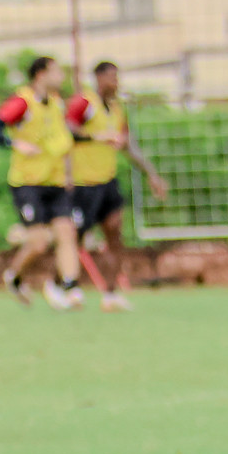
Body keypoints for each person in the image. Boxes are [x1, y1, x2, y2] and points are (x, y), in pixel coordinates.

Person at [66, 61, 168, 311]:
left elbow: (127, 144)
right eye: (112, 77)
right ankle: (68, 286)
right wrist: (94, 137)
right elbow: (66, 130)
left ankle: (110, 294)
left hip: (107, 180)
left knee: (114, 233)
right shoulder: (84, 103)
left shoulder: (116, 108)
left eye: (117, 78)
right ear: (99, 78)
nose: (116, 83)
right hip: (82, 182)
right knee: (75, 238)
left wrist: (151, 174)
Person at [0, 56, 82, 309]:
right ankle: (14, 275)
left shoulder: (56, 104)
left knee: (67, 233)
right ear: (40, 74)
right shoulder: (22, 102)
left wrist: (69, 174)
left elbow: (63, 142)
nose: (61, 77)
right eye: (57, 72)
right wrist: (16, 143)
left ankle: (71, 288)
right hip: (27, 182)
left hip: (55, 181)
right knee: (39, 243)